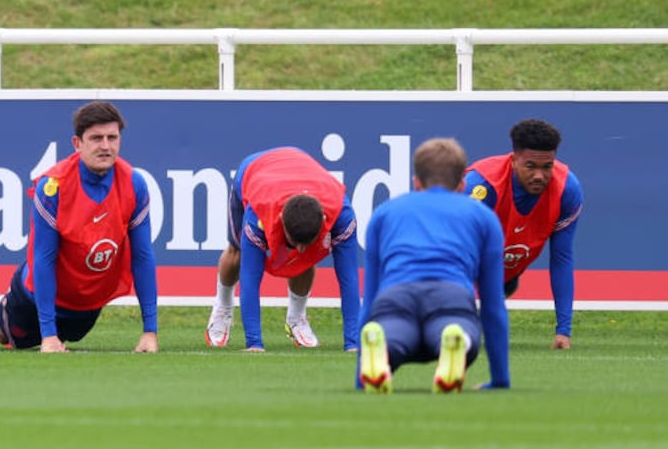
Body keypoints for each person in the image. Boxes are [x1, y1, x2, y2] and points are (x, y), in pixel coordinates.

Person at [0, 100, 159, 353]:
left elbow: (142, 257)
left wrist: (150, 332)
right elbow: (43, 258)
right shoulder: (54, 186)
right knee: (4, 332)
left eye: (112, 137)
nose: (106, 146)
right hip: (37, 296)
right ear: (77, 144)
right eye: (96, 138)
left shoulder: (134, 184)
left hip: (86, 303)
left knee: (67, 337)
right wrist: (49, 334)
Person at [357, 137, 510, 394]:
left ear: (416, 183)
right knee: (454, 330)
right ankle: (455, 341)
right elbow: (493, 305)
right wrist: (500, 379)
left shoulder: (385, 212)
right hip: (451, 296)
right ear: (462, 184)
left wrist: (359, 379)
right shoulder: (483, 216)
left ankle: (381, 352)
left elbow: (369, 297)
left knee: (392, 334)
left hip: (395, 296)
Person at [205, 146, 360, 352]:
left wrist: (354, 344)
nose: (301, 249)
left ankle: (297, 318)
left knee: (304, 259)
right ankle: (223, 308)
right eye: (294, 241)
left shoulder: (342, 214)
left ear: (323, 220)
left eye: (307, 242)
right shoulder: (259, 213)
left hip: (300, 169)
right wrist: (254, 343)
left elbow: (349, 279)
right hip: (255, 172)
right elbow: (250, 278)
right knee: (237, 253)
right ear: (280, 222)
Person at [464, 118, 583, 350]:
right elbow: (452, 254)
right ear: (514, 160)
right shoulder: (481, 187)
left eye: (547, 166)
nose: (539, 175)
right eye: (530, 166)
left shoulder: (567, 190)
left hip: (505, 271)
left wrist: (564, 331)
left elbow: (562, 258)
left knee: (502, 287)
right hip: (459, 262)